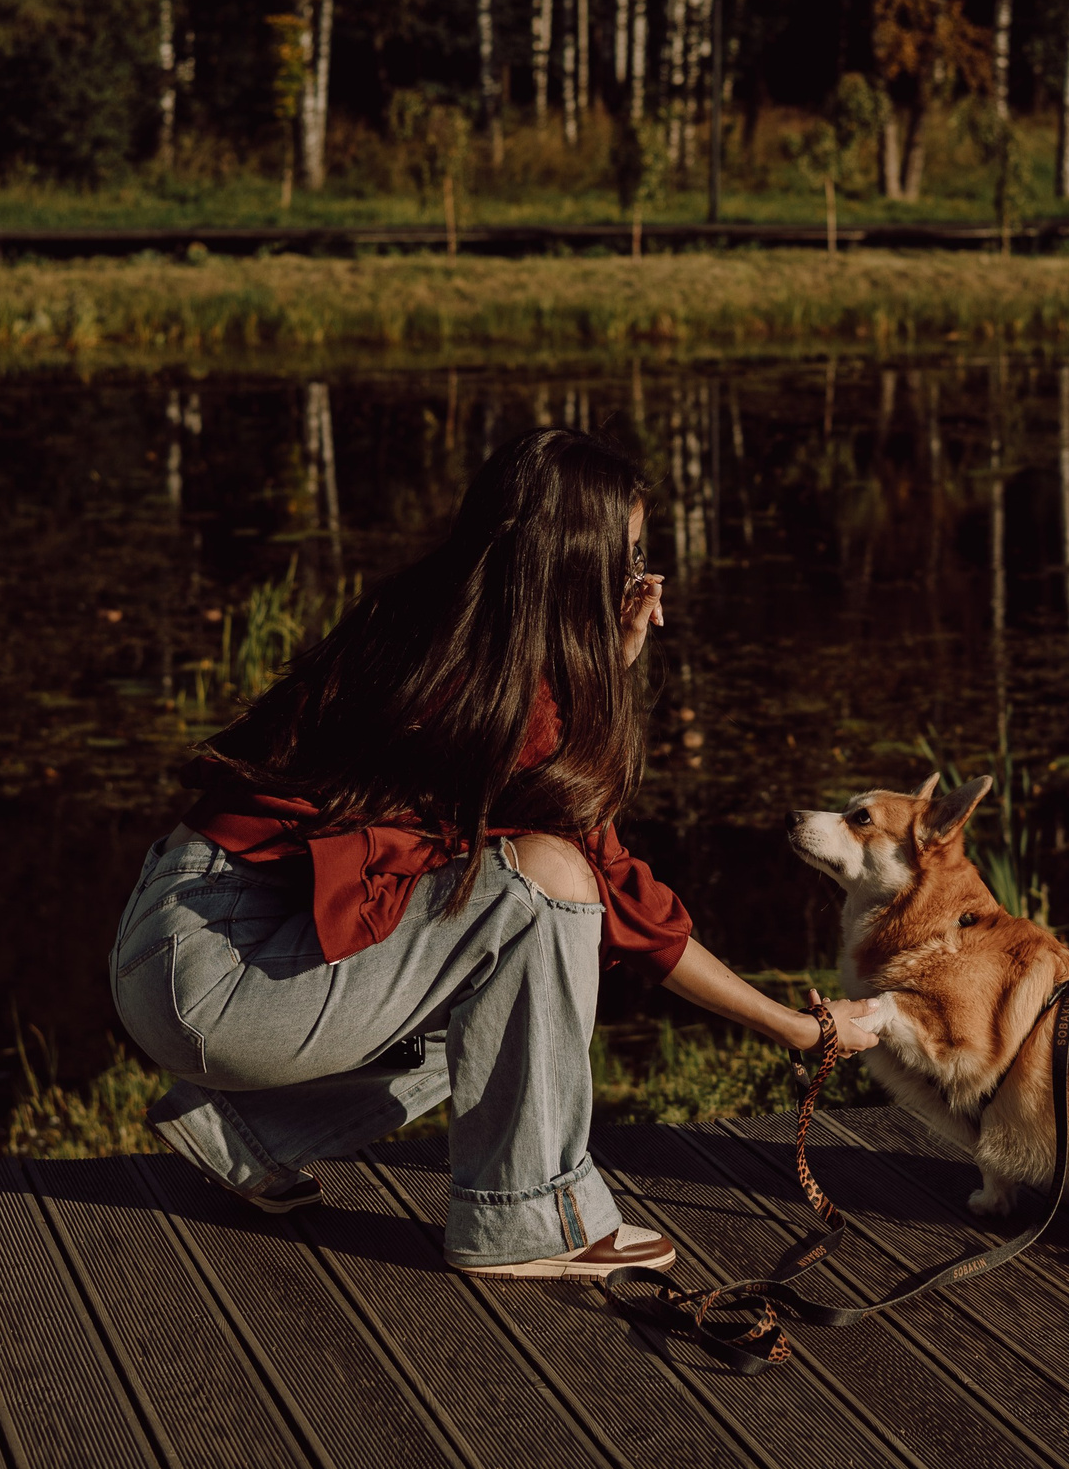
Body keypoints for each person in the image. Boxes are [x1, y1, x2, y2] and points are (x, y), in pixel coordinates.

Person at [112, 427, 881, 1279]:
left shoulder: (441, 625)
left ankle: (250, 1134)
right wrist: (799, 1028)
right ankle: (528, 1216)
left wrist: (602, 671)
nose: (639, 583)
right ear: (571, 557)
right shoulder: (501, 692)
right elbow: (608, 889)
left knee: (523, 1000)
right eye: (625, 560)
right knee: (554, 892)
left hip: (186, 939)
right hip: (222, 969)